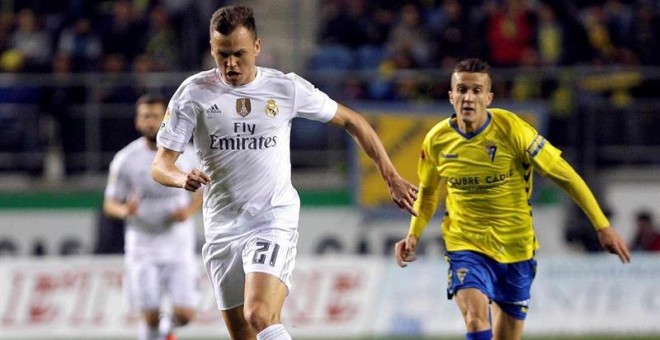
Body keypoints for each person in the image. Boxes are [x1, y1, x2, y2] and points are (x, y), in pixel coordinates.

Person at [150, 5, 418, 340]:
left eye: (239, 54)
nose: (230, 64)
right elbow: (161, 164)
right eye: (222, 55)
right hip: (221, 227)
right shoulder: (194, 93)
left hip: (270, 218)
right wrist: (181, 177)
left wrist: (390, 176)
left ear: (257, 47)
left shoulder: (285, 89)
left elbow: (353, 120)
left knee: (259, 314)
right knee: (245, 334)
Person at [394, 58, 631, 340]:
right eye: (461, 90)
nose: (468, 97)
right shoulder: (437, 141)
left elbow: (565, 175)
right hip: (465, 244)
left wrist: (602, 225)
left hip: (516, 247)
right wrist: (414, 234)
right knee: (474, 318)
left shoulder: (512, 130)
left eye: (476, 90)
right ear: (451, 96)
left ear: (489, 97)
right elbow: (429, 193)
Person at [104, 94, 202, 340]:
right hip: (143, 245)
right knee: (149, 315)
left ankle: (167, 328)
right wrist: (126, 211)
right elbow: (110, 204)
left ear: (166, 120)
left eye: (156, 116)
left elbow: (204, 193)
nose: (150, 122)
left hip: (178, 242)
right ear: (138, 122)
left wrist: (188, 212)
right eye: (145, 116)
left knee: (186, 314)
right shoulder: (125, 160)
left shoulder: (187, 155)